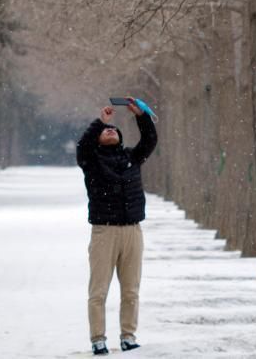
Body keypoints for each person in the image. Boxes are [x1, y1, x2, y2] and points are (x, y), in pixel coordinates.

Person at [76, 97, 158, 356]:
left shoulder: (131, 158)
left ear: (120, 138)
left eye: (112, 129)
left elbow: (150, 141)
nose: (109, 130)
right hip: (104, 231)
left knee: (131, 290)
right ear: (98, 140)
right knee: (98, 291)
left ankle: (128, 336)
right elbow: (83, 146)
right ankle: (98, 339)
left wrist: (141, 116)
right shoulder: (91, 162)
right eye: (105, 131)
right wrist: (100, 121)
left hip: (133, 231)